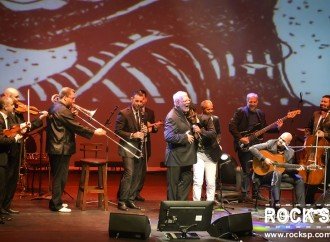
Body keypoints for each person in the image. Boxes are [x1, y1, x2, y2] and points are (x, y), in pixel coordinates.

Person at [46, 87, 106, 213]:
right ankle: (56, 204)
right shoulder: (62, 110)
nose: (74, 101)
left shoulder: (54, 107)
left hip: (56, 146)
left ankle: (57, 202)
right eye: (72, 98)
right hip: (60, 147)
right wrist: (94, 131)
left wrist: (71, 114)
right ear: (65, 97)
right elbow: (75, 126)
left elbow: (62, 123)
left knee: (60, 176)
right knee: (60, 177)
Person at [229, 93, 282, 202]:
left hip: (257, 146)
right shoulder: (241, 111)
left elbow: (264, 128)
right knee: (247, 170)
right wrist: (240, 138)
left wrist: (277, 128)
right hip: (244, 145)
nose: (252, 104)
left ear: (257, 102)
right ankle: (244, 195)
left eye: (254, 102)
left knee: (257, 170)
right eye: (250, 102)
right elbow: (232, 126)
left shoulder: (260, 113)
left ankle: (256, 194)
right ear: (247, 101)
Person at [2, 87, 48, 214]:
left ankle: (6, 207)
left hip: (16, 149)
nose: (18, 100)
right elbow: (10, 131)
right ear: (6, 96)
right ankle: (2, 208)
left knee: (12, 180)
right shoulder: (5, 112)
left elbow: (25, 129)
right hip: (7, 150)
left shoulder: (17, 112)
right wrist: (20, 129)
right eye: (15, 97)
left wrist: (39, 119)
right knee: (5, 180)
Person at [249, 132, 306, 209]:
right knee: (277, 174)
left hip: (281, 175)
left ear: (288, 143)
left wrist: (296, 169)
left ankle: (301, 207)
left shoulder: (290, 152)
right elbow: (252, 148)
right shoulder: (271, 143)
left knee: (299, 180)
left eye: (283, 140)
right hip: (264, 176)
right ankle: (276, 204)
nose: (280, 140)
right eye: (280, 138)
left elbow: (287, 168)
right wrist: (264, 159)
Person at [115, 90, 148, 211]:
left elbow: (140, 128)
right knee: (129, 174)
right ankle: (122, 200)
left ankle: (130, 199)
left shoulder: (141, 113)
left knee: (137, 175)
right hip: (127, 148)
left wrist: (144, 130)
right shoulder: (123, 113)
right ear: (131, 99)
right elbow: (117, 131)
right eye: (136, 101)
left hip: (138, 148)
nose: (139, 103)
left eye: (141, 101)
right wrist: (133, 135)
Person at [164, 91, 197, 201]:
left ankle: (181, 205)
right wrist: (184, 137)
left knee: (187, 179)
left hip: (185, 156)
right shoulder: (172, 116)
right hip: (175, 157)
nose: (188, 102)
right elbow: (168, 136)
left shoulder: (184, 113)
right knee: (173, 186)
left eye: (188, 99)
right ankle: (171, 209)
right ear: (177, 102)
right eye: (185, 100)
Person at [190, 103, 221, 202]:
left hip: (211, 153)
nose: (211, 111)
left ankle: (210, 203)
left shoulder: (213, 119)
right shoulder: (193, 120)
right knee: (197, 180)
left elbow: (216, 133)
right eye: (208, 109)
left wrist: (217, 142)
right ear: (202, 110)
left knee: (211, 181)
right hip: (198, 154)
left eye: (212, 109)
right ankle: (196, 204)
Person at [0, 96, 24, 221]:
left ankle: (2, 212)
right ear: (5, 106)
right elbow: (1, 139)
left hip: (6, 157)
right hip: (1, 158)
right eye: (11, 105)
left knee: (3, 186)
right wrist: (14, 138)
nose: (14, 107)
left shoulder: (8, 117)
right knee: (1, 186)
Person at [304, 95, 330, 205]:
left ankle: (324, 202)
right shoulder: (316, 114)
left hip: (327, 149)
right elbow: (308, 128)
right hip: (313, 149)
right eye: (322, 101)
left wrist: (325, 134)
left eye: (325, 102)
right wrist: (307, 138)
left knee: (325, 177)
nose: (322, 103)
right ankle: (308, 201)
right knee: (310, 173)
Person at [134, 89, 159, 202]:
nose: (141, 101)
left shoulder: (150, 112)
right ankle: (125, 193)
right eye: (139, 99)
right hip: (134, 144)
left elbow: (153, 129)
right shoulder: (131, 111)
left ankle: (137, 192)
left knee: (143, 170)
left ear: (146, 99)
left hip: (145, 145)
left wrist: (154, 127)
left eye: (143, 99)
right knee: (132, 170)